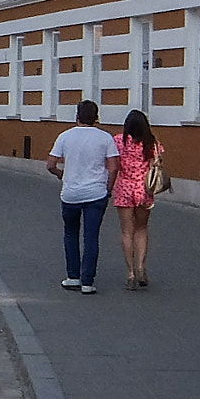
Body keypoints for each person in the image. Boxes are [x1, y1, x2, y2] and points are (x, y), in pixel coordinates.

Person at [47, 100, 120, 295]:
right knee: (91, 236)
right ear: (97, 117)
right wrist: (108, 188)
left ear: (77, 116)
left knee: (70, 233)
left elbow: (50, 164)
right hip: (96, 193)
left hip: (71, 193)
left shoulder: (65, 136)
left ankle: (73, 276)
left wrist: (62, 175)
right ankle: (88, 282)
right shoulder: (105, 138)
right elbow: (113, 167)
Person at [113, 109, 165, 290]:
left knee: (127, 231)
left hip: (124, 189)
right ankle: (142, 266)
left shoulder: (119, 141)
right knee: (141, 229)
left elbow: (114, 163)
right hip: (144, 190)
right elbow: (157, 164)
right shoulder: (152, 143)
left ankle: (130, 274)